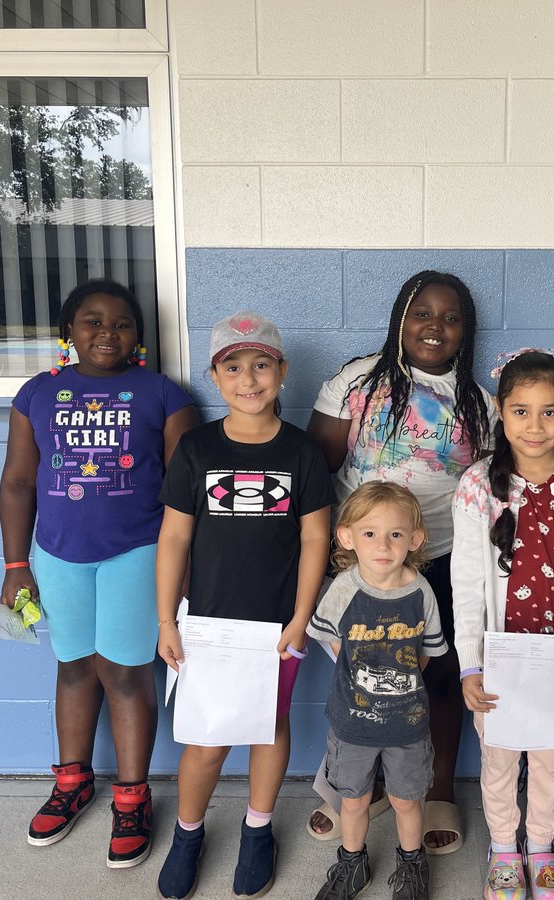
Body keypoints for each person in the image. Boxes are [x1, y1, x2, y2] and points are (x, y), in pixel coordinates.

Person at [0, 279, 197, 868]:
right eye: (93, 321)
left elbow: (184, 496)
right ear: (69, 332)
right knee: (74, 666)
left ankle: (133, 797)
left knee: (127, 672)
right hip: (57, 555)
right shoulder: (38, 393)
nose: (108, 333)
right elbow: (17, 482)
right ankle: (73, 781)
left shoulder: (165, 395)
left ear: (138, 336)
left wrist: (182, 571)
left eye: (122, 323)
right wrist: (15, 566)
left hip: (137, 553)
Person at [305, 271, 494, 854]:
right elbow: (317, 467)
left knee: (437, 678)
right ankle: (355, 786)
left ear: (465, 331)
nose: (435, 327)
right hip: (363, 559)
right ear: (400, 319)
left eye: (451, 317)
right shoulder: (357, 380)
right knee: (357, 675)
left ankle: (435, 790)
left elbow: (488, 488)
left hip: (438, 559)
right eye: (422, 313)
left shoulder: (478, 403)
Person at [154, 311, 333, 900]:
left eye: (260, 365)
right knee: (207, 740)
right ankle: (188, 833)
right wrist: (165, 621)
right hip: (206, 624)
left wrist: (301, 619)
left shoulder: (302, 453)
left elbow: (314, 539)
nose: (248, 379)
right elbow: (175, 537)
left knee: (267, 725)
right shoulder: (196, 449)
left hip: (277, 627)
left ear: (281, 371)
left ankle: (258, 830)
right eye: (234, 367)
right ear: (215, 375)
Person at [452, 350, 554, 900]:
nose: (535, 425)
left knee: (550, 764)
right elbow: (468, 583)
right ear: (500, 411)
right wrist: (470, 665)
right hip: (499, 660)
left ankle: (542, 847)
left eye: (549, 411)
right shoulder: (479, 486)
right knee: (498, 762)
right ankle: (504, 850)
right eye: (521, 411)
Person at [307, 482, 447, 900]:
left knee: (407, 801)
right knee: (353, 801)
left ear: (415, 540)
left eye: (396, 534)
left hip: (407, 726)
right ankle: (352, 863)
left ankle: (411, 863)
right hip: (352, 726)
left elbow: (424, 656)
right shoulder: (344, 589)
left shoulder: (421, 592)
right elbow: (337, 646)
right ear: (347, 537)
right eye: (369, 533)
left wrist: (396, 685)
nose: (383, 545)